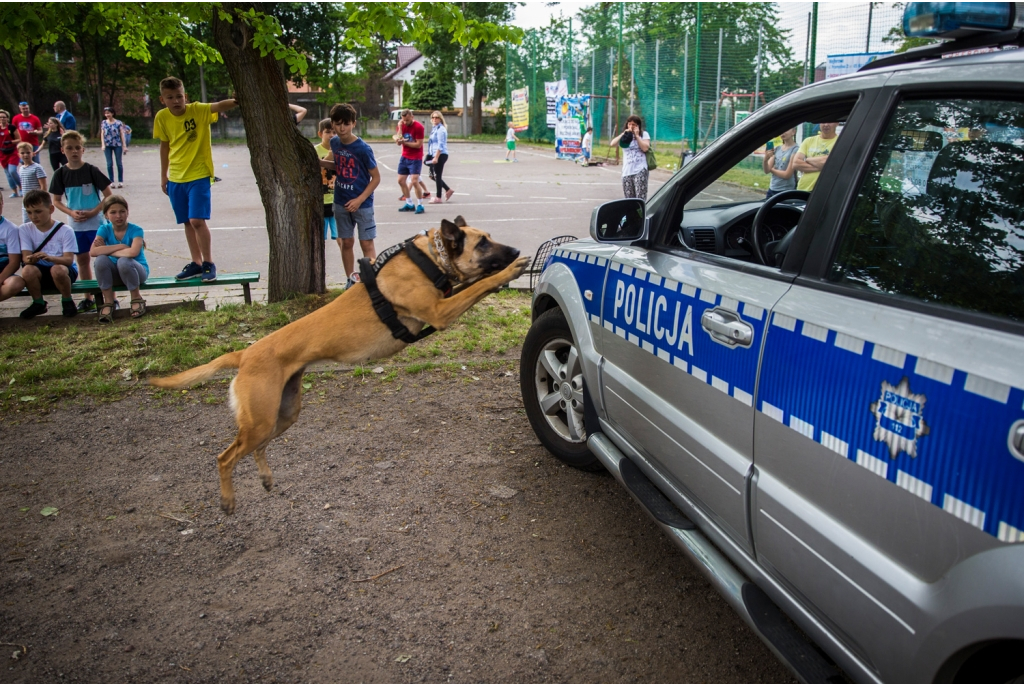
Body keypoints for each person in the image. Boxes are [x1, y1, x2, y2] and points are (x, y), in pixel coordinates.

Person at [153, 75, 237, 283]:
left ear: (186, 97)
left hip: (199, 175)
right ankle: (196, 263)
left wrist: (237, 99)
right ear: (163, 100)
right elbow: (164, 146)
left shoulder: (197, 110)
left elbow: (219, 106)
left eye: (179, 96)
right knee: (187, 223)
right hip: (176, 178)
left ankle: (208, 262)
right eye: (170, 97)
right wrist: (164, 175)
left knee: (197, 220)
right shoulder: (162, 117)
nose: (176, 101)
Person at [49, 130, 113, 313]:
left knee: (103, 259)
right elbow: (56, 201)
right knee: (82, 260)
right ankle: (88, 298)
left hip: (96, 224)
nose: (74, 151)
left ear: (83, 150)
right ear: (63, 150)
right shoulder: (60, 174)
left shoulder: (91, 170)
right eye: (69, 148)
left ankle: (111, 298)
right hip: (76, 226)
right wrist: (71, 212)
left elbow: (108, 196)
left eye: (77, 148)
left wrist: (94, 211)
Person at [321, 103, 380, 288]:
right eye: (337, 124)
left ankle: (372, 282)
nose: (341, 128)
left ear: (353, 123)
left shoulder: (363, 148)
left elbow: (376, 178)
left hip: (362, 204)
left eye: (346, 124)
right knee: (346, 242)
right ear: (332, 124)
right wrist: (320, 163)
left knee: (366, 244)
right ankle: (351, 280)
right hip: (340, 201)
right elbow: (339, 166)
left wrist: (359, 200)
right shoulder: (335, 143)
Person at [17, 189, 79, 319]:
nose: (34, 216)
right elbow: (25, 258)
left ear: (51, 209)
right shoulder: (25, 229)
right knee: (27, 270)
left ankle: (67, 301)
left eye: (38, 211)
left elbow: (68, 260)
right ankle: (38, 302)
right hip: (40, 271)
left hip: (64, 271)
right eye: (29, 212)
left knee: (57, 269)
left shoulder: (65, 230)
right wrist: (32, 258)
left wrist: (50, 258)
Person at [90, 195, 149, 322]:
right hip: (115, 274)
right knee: (100, 260)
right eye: (113, 212)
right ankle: (109, 301)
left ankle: (136, 298)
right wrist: (121, 247)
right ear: (106, 215)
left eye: (122, 211)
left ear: (127, 212)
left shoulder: (136, 229)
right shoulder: (104, 229)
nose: (118, 216)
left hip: (137, 272)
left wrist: (107, 249)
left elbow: (132, 253)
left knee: (124, 261)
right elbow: (93, 251)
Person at [313, 118, 343, 263]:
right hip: (321, 202)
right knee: (318, 243)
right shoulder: (315, 151)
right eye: (327, 132)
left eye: (333, 132)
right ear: (320, 133)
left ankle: (348, 275)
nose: (331, 135)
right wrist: (329, 155)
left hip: (337, 202)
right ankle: (319, 277)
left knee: (342, 241)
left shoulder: (342, 150)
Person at [610, 114, 651, 200]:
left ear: (638, 126)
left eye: (634, 124)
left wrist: (637, 136)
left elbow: (645, 148)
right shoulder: (625, 136)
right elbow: (612, 144)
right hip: (627, 171)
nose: (631, 126)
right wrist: (623, 134)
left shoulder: (644, 134)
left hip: (640, 169)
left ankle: (642, 213)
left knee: (640, 197)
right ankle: (632, 214)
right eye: (629, 124)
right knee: (629, 199)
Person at [793, 121, 839, 192]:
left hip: (826, 191)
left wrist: (809, 160)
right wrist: (823, 167)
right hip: (803, 189)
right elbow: (795, 163)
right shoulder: (808, 141)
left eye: (830, 122)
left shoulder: (840, 142)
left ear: (837, 123)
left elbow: (832, 163)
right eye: (823, 122)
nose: (826, 124)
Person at [395, 109, 425, 214]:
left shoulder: (419, 127)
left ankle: (420, 204)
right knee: (401, 181)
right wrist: (400, 129)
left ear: (412, 117)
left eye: (407, 120)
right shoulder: (401, 125)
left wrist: (405, 143)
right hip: (405, 156)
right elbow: (398, 142)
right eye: (404, 120)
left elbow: (418, 144)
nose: (406, 122)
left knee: (414, 181)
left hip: (415, 157)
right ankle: (409, 203)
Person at [0, 193, 25, 302]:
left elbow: (14, 263)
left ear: (2, 203)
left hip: (3, 272)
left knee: (16, 283)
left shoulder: (10, 229)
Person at [424, 110, 453, 204]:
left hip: (440, 154)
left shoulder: (441, 129)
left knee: (437, 175)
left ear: (440, 119)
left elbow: (440, 145)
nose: (434, 119)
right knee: (432, 175)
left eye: (436, 117)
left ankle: (438, 197)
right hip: (433, 153)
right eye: (433, 117)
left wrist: (436, 157)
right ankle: (448, 189)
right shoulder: (434, 128)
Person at [762, 127, 799, 198]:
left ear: (793, 132)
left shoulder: (796, 149)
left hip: (786, 191)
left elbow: (787, 175)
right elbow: (766, 170)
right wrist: (765, 159)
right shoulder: (777, 148)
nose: (783, 132)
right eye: (781, 130)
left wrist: (772, 169)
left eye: (786, 129)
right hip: (772, 188)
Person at [16, 142, 47, 223]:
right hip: (26, 200)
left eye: (28, 152)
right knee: (26, 223)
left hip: (36, 200)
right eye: (22, 153)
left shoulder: (37, 168)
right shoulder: (21, 168)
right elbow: (23, 184)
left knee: (37, 221)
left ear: (33, 154)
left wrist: (41, 200)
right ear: (19, 155)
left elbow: (43, 186)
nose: (25, 155)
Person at [100, 107, 128, 188]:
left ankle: (120, 181)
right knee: (109, 164)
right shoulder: (104, 123)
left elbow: (122, 134)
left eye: (108, 113)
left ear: (112, 113)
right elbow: (102, 134)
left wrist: (124, 145)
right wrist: (103, 144)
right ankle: (111, 181)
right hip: (107, 145)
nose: (107, 115)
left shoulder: (118, 123)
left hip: (117, 145)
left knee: (119, 163)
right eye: (106, 113)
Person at [0, 110, 21, 196]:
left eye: (4, 117)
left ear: (7, 118)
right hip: (2, 152)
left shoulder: (11, 127)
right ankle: (14, 191)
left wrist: (11, 142)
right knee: (7, 173)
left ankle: (21, 187)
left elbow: (19, 139)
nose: (2, 119)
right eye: (0, 117)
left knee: (12, 171)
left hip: (12, 151)